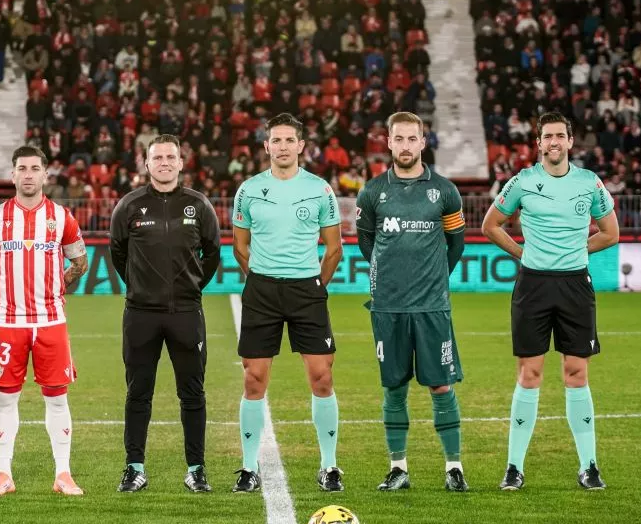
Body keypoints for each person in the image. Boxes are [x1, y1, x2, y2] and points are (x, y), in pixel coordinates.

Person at [482, 111, 619, 491]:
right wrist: (522, 254)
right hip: (534, 285)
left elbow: (610, 233)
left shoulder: (589, 183)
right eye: (547, 136)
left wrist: (577, 250)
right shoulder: (523, 181)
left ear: (570, 142)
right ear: (539, 143)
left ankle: (589, 466)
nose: (554, 142)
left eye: (560, 135)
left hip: (575, 285)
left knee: (576, 373)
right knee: (530, 374)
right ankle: (514, 467)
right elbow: (490, 225)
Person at [356, 112, 469, 492]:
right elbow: (366, 242)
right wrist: (385, 279)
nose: (405, 146)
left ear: (423, 142)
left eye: (412, 139)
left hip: (432, 307)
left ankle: (454, 467)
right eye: (398, 139)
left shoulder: (445, 191)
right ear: (388, 143)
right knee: (394, 388)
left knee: (441, 386)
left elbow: (456, 243)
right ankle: (398, 468)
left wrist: (435, 278)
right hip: (388, 307)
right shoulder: (372, 192)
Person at [231, 113, 344, 493]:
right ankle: (249, 468)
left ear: (301, 146)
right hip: (262, 291)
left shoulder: (319, 189)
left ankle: (329, 466)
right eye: (275, 141)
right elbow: (240, 247)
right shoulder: (247, 190)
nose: (282, 147)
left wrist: (315, 286)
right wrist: (262, 278)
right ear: (266, 146)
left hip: (306, 291)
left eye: (288, 141)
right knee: (254, 379)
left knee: (322, 377)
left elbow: (334, 249)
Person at [0, 145, 89, 497]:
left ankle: (63, 474)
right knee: (6, 398)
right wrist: (1, 288)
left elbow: (80, 263)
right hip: (9, 321)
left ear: (44, 175)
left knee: (57, 397)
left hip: (51, 321)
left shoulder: (61, 217)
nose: (27, 174)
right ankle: (3, 474)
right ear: (12, 175)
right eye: (21, 168)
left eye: (34, 168)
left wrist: (59, 285)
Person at [109, 134, 221, 493]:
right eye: (157, 158)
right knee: (138, 392)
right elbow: (118, 254)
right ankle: (134, 467)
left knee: (192, 393)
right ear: (146, 164)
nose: (164, 163)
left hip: (186, 313)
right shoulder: (128, 206)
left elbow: (212, 254)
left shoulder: (198, 205)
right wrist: (141, 288)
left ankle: (197, 468)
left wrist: (189, 289)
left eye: (170, 157)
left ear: (181, 162)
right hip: (140, 314)